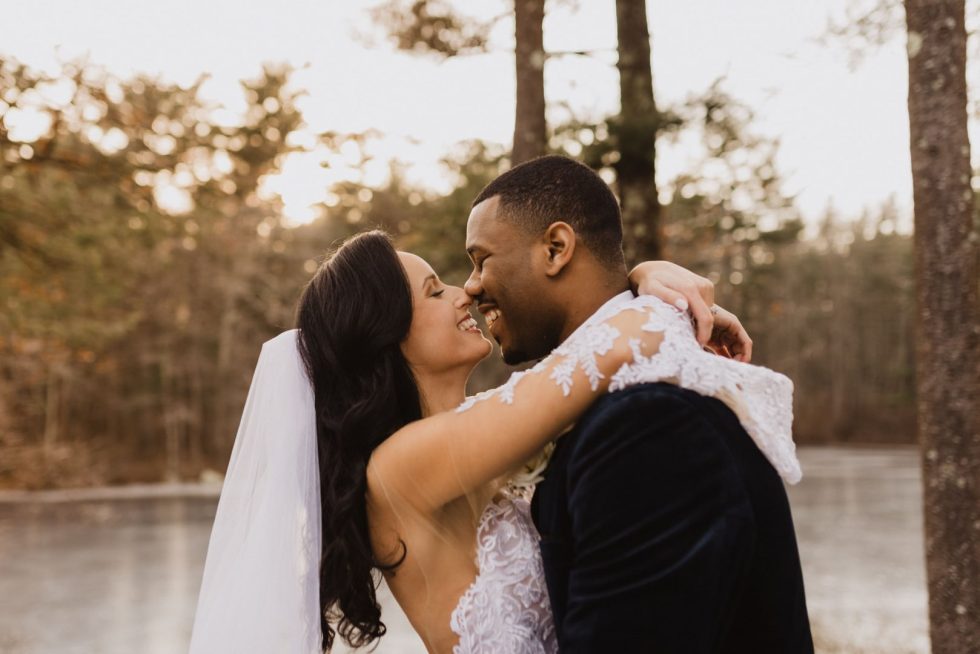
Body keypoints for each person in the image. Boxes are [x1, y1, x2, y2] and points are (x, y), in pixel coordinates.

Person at [189, 158, 805, 654]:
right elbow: (612, 346)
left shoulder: (488, 431)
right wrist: (651, 288)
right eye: (435, 291)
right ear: (388, 338)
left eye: (467, 271)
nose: (465, 292)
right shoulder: (398, 467)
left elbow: (582, 363)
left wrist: (640, 276)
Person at [462, 155, 813, 652]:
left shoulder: (647, 425)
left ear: (556, 248)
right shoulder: (598, 402)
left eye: (481, 259)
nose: (470, 286)